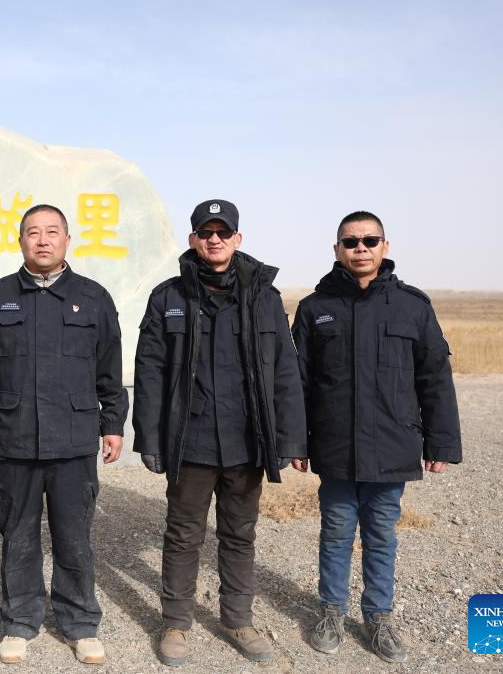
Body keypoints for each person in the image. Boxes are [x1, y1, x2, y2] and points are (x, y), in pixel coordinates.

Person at [132, 199, 306, 665]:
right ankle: (175, 624)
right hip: (191, 442)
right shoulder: (168, 297)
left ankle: (238, 619)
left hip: (248, 443)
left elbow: (285, 371)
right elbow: (149, 371)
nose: (214, 239)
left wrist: (290, 438)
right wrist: (148, 437)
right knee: (183, 534)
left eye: (222, 232)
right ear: (192, 240)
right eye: (205, 232)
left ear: (237, 239)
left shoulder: (263, 298)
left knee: (239, 534)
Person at [291, 210, 462, 664]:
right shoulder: (315, 309)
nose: (360, 248)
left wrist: (441, 443)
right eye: (351, 242)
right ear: (337, 250)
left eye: (370, 240)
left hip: (392, 444)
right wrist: (296, 442)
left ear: (385, 247)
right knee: (336, 531)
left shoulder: (412, 306)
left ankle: (379, 616)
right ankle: (330, 610)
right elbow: (299, 384)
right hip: (336, 445)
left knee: (383, 534)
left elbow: (434, 380)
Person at [0, 204, 128, 665]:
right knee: (17, 534)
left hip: (74, 440)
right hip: (13, 440)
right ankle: (20, 621)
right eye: (32, 232)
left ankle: (79, 623)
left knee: (74, 535)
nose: (42, 240)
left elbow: (109, 369)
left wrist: (113, 424)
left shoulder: (93, 297)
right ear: (19, 241)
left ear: (67, 241)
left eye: (52, 232)